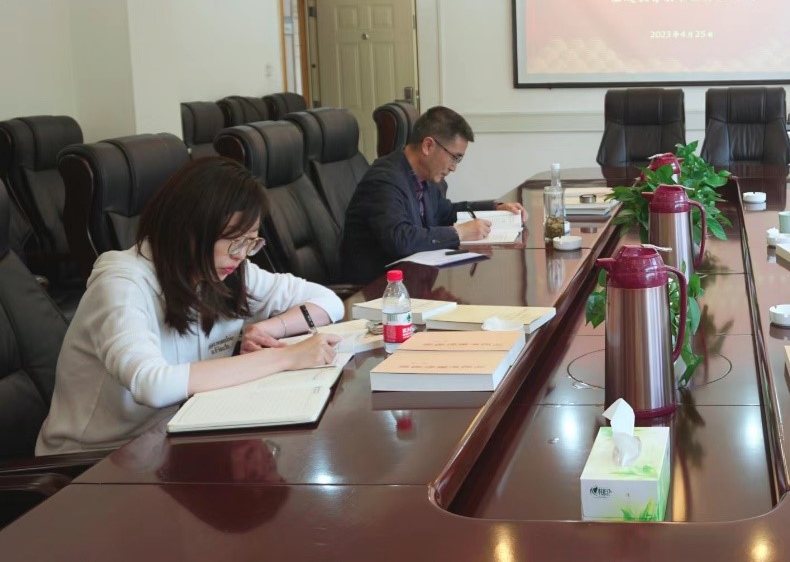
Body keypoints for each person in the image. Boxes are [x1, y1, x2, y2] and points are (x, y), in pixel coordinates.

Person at [37, 158, 344, 455]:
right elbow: (151, 384)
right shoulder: (121, 283)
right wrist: (284, 357)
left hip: (182, 434)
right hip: (97, 460)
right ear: (188, 230)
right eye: (234, 240)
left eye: (251, 241)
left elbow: (328, 302)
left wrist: (266, 328)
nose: (241, 255)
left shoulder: (228, 271)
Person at [340, 105, 524, 283]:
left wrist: (495, 208)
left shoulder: (424, 176)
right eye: (455, 157)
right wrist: (459, 232)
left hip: (411, 279)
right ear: (428, 146)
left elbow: (446, 212)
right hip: (377, 288)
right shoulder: (384, 179)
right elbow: (400, 239)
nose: (454, 167)